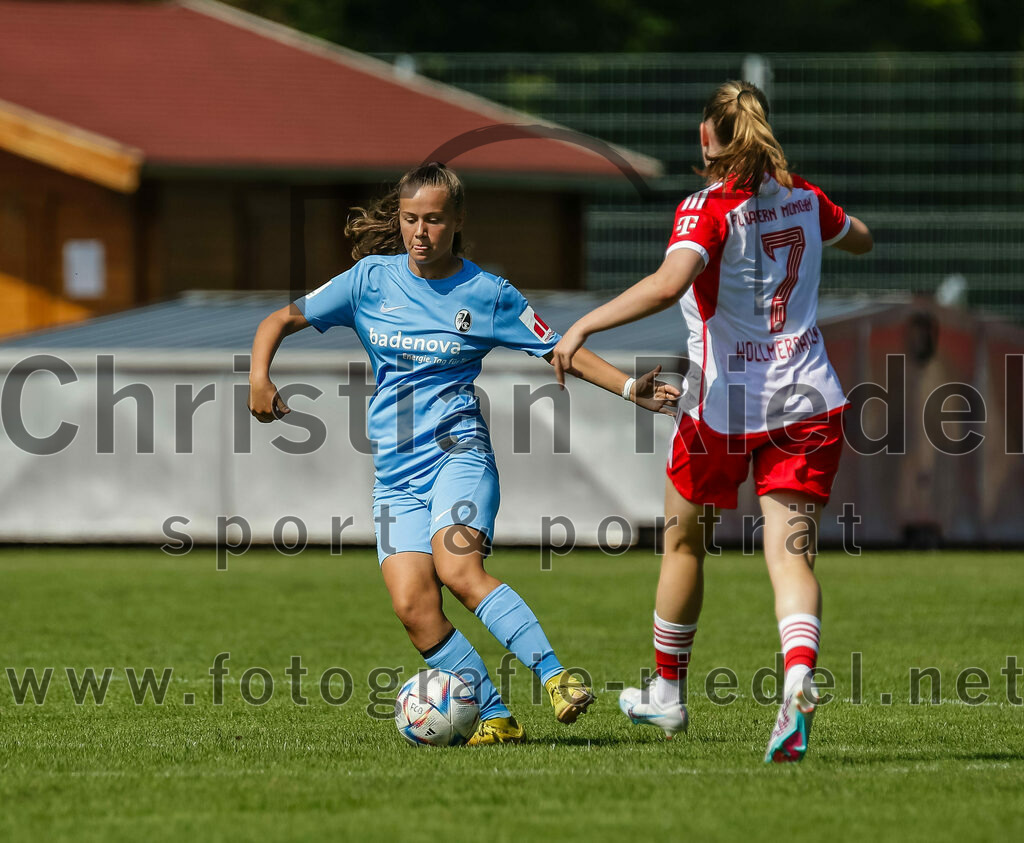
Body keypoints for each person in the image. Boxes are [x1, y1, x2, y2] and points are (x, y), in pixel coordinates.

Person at [248, 162, 680, 745]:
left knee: (457, 570)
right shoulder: (368, 280)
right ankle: (498, 717)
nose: (418, 232)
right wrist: (258, 377)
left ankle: (557, 678)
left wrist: (632, 389)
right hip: (395, 477)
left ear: (456, 223)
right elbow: (282, 318)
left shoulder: (487, 294)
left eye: (431, 220)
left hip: (459, 454)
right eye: (408, 220)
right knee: (412, 607)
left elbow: (562, 351)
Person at [551, 81, 873, 762]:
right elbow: (862, 239)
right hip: (809, 400)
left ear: (706, 137)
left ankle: (667, 692)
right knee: (791, 556)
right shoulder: (807, 199)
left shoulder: (706, 208)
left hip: (721, 407)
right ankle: (796, 677)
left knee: (683, 545)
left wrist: (583, 325)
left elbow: (670, 283)